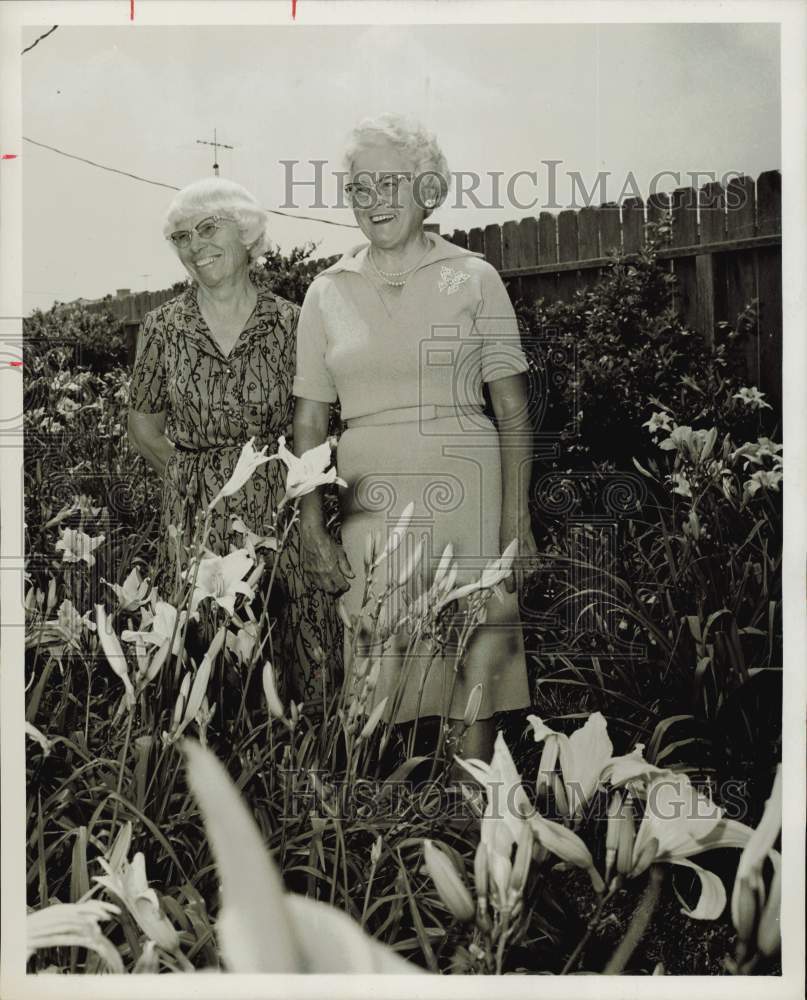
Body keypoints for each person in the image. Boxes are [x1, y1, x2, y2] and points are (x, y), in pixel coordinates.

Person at [292, 114, 537, 761]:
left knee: (472, 663)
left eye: (390, 184)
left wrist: (516, 523)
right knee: (375, 670)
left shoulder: (475, 277)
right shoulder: (325, 291)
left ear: (427, 188)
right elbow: (310, 422)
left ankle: (473, 824)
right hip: (371, 507)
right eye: (359, 189)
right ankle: (375, 837)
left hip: (468, 499)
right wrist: (312, 525)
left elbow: (512, 409)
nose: (374, 202)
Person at [127, 177, 340, 704]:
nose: (194, 246)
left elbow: (313, 423)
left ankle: (304, 774)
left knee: (297, 650)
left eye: (206, 229)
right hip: (198, 519)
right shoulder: (162, 327)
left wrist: (295, 502)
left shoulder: (294, 322)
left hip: (282, 512)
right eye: (180, 237)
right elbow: (143, 426)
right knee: (205, 663)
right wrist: (193, 483)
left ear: (246, 234)